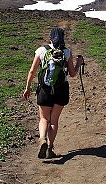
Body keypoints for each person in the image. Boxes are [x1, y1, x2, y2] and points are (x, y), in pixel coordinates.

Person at [23, 27, 84, 159]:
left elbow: (32, 71)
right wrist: (79, 63)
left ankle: (42, 139)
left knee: (44, 118)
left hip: (44, 89)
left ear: (50, 37)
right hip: (61, 90)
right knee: (54, 120)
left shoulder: (41, 50)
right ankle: (50, 148)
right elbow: (73, 74)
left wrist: (27, 87)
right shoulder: (66, 52)